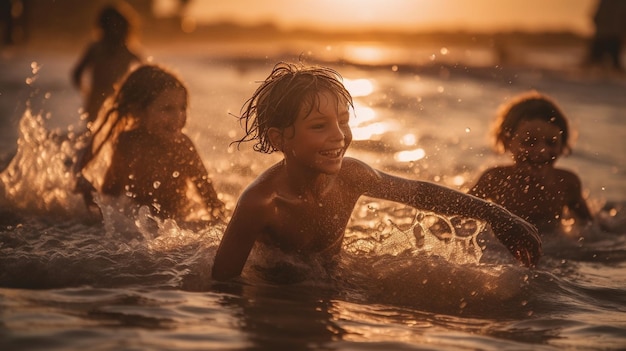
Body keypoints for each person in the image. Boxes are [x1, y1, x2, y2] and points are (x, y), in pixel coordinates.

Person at [211, 62, 542, 282]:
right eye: (319, 126)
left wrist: (498, 215)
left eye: (343, 122)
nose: (339, 136)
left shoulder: (351, 175)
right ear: (279, 138)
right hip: (277, 296)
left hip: (328, 280)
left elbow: (420, 194)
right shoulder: (261, 202)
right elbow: (223, 284)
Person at [74, 64, 224, 225]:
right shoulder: (127, 143)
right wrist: (89, 196)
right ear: (138, 111)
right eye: (167, 109)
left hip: (178, 222)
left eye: (182, 108)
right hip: (138, 225)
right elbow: (111, 195)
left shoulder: (183, 147)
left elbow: (212, 203)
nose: (178, 117)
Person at [469, 91, 593, 234]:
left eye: (551, 143)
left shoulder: (567, 183)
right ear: (507, 141)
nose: (541, 150)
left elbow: (590, 226)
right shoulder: (495, 179)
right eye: (529, 142)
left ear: (562, 145)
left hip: (554, 247)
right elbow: (459, 217)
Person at [71, 2, 142, 125]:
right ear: (103, 26)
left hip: (119, 102)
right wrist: (86, 92)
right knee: (93, 134)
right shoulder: (95, 48)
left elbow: (146, 74)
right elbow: (76, 73)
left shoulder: (128, 51)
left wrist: (135, 96)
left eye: (118, 25)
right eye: (111, 25)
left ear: (125, 27)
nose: (114, 30)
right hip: (95, 100)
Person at [585, 0, 626, 72]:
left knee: (593, 65)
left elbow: (595, 17)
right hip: (609, 37)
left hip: (605, 37)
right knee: (594, 64)